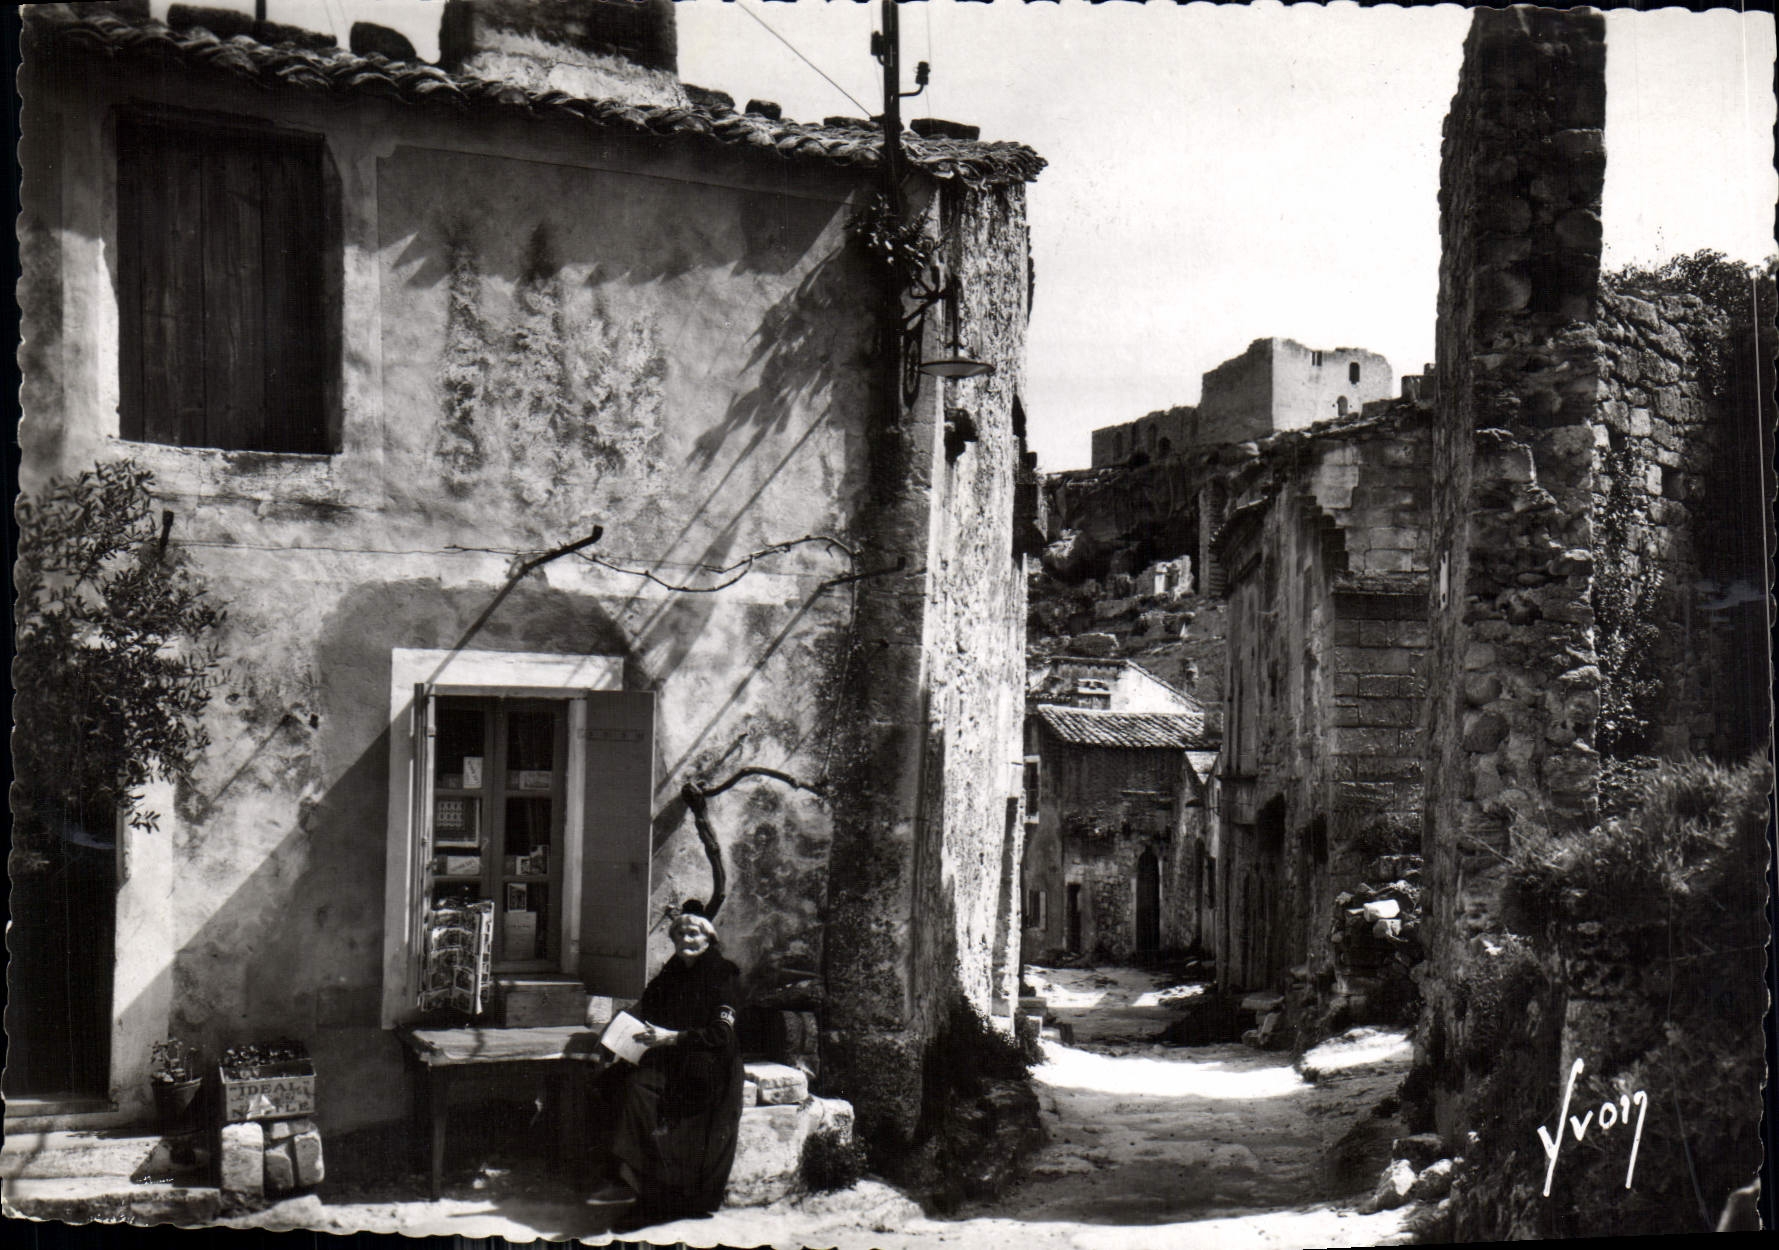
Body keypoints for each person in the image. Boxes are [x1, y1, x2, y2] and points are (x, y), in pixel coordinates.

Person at [590, 900, 745, 1228]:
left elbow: (721, 1035)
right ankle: (625, 1178)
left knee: (643, 1097)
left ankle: (655, 1198)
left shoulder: (723, 974)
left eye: (694, 934)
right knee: (613, 1082)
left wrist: (671, 1037)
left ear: (708, 939)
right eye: (680, 934)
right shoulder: (672, 971)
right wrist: (612, 1035)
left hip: (710, 1066)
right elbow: (646, 1005)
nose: (686, 939)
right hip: (673, 1057)